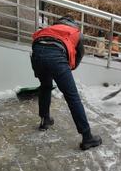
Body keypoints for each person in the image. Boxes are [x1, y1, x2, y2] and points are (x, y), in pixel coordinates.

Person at [31, 16, 102, 150]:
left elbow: (37, 41)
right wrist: (68, 69)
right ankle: (87, 137)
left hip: (37, 54)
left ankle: (44, 120)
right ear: (73, 24)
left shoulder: (49, 29)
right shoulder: (76, 33)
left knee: (45, 87)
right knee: (72, 97)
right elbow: (79, 56)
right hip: (57, 57)